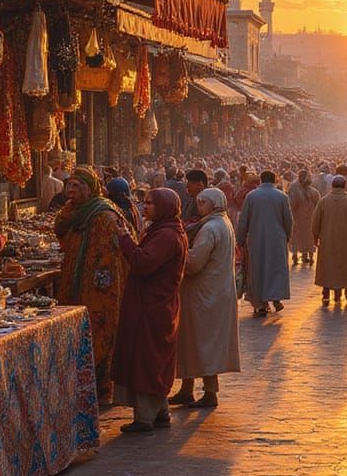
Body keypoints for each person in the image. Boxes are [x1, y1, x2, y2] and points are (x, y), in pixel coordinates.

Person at [111, 188, 188, 433]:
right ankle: (160, 411)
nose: (145, 207)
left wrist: (125, 239)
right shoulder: (165, 230)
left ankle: (144, 417)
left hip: (152, 306)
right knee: (153, 359)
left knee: (147, 359)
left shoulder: (166, 235)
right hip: (154, 303)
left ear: (164, 207)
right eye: (145, 202)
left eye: (150, 203)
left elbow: (143, 263)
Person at [54, 166, 127, 403]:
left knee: (99, 332)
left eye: (77, 186)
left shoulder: (104, 214)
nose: (71, 190)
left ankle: (101, 386)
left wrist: (101, 279)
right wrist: (69, 207)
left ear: (89, 189)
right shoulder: (75, 213)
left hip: (100, 288)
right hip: (74, 282)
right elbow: (60, 229)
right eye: (69, 186)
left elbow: (114, 252)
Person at [170, 188, 241, 408]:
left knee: (202, 342)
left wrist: (178, 252)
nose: (199, 206)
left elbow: (194, 263)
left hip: (204, 293)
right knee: (195, 341)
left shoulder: (210, 228)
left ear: (214, 204)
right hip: (215, 291)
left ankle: (209, 391)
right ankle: (187, 388)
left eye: (203, 202)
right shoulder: (222, 223)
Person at [237, 170, 293, 317]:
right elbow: (288, 219)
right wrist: (288, 235)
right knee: (276, 268)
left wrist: (240, 238)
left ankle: (260, 304)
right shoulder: (282, 196)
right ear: (275, 180)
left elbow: (243, 220)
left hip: (257, 238)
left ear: (261, 180)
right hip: (277, 238)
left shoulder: (251, 196)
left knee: (258, 269)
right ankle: (276, 298)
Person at [312, 174, 347, 304]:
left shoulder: (324, 201)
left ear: (332, 186)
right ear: (345, 186)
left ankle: (326, 294)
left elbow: (315, 221)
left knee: (327, 266)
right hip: (346, 240)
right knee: (346, 265)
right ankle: (346, 292)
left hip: (327, 239)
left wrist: (315, 236)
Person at [288, 169, 321, 266]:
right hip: (310, 219)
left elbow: (291, 205)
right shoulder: (314, 192)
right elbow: (318, 206)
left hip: (297, 219)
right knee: (309, 237)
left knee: (296, 237)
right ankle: (308, 256)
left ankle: (295, 256)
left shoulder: (295, 192)